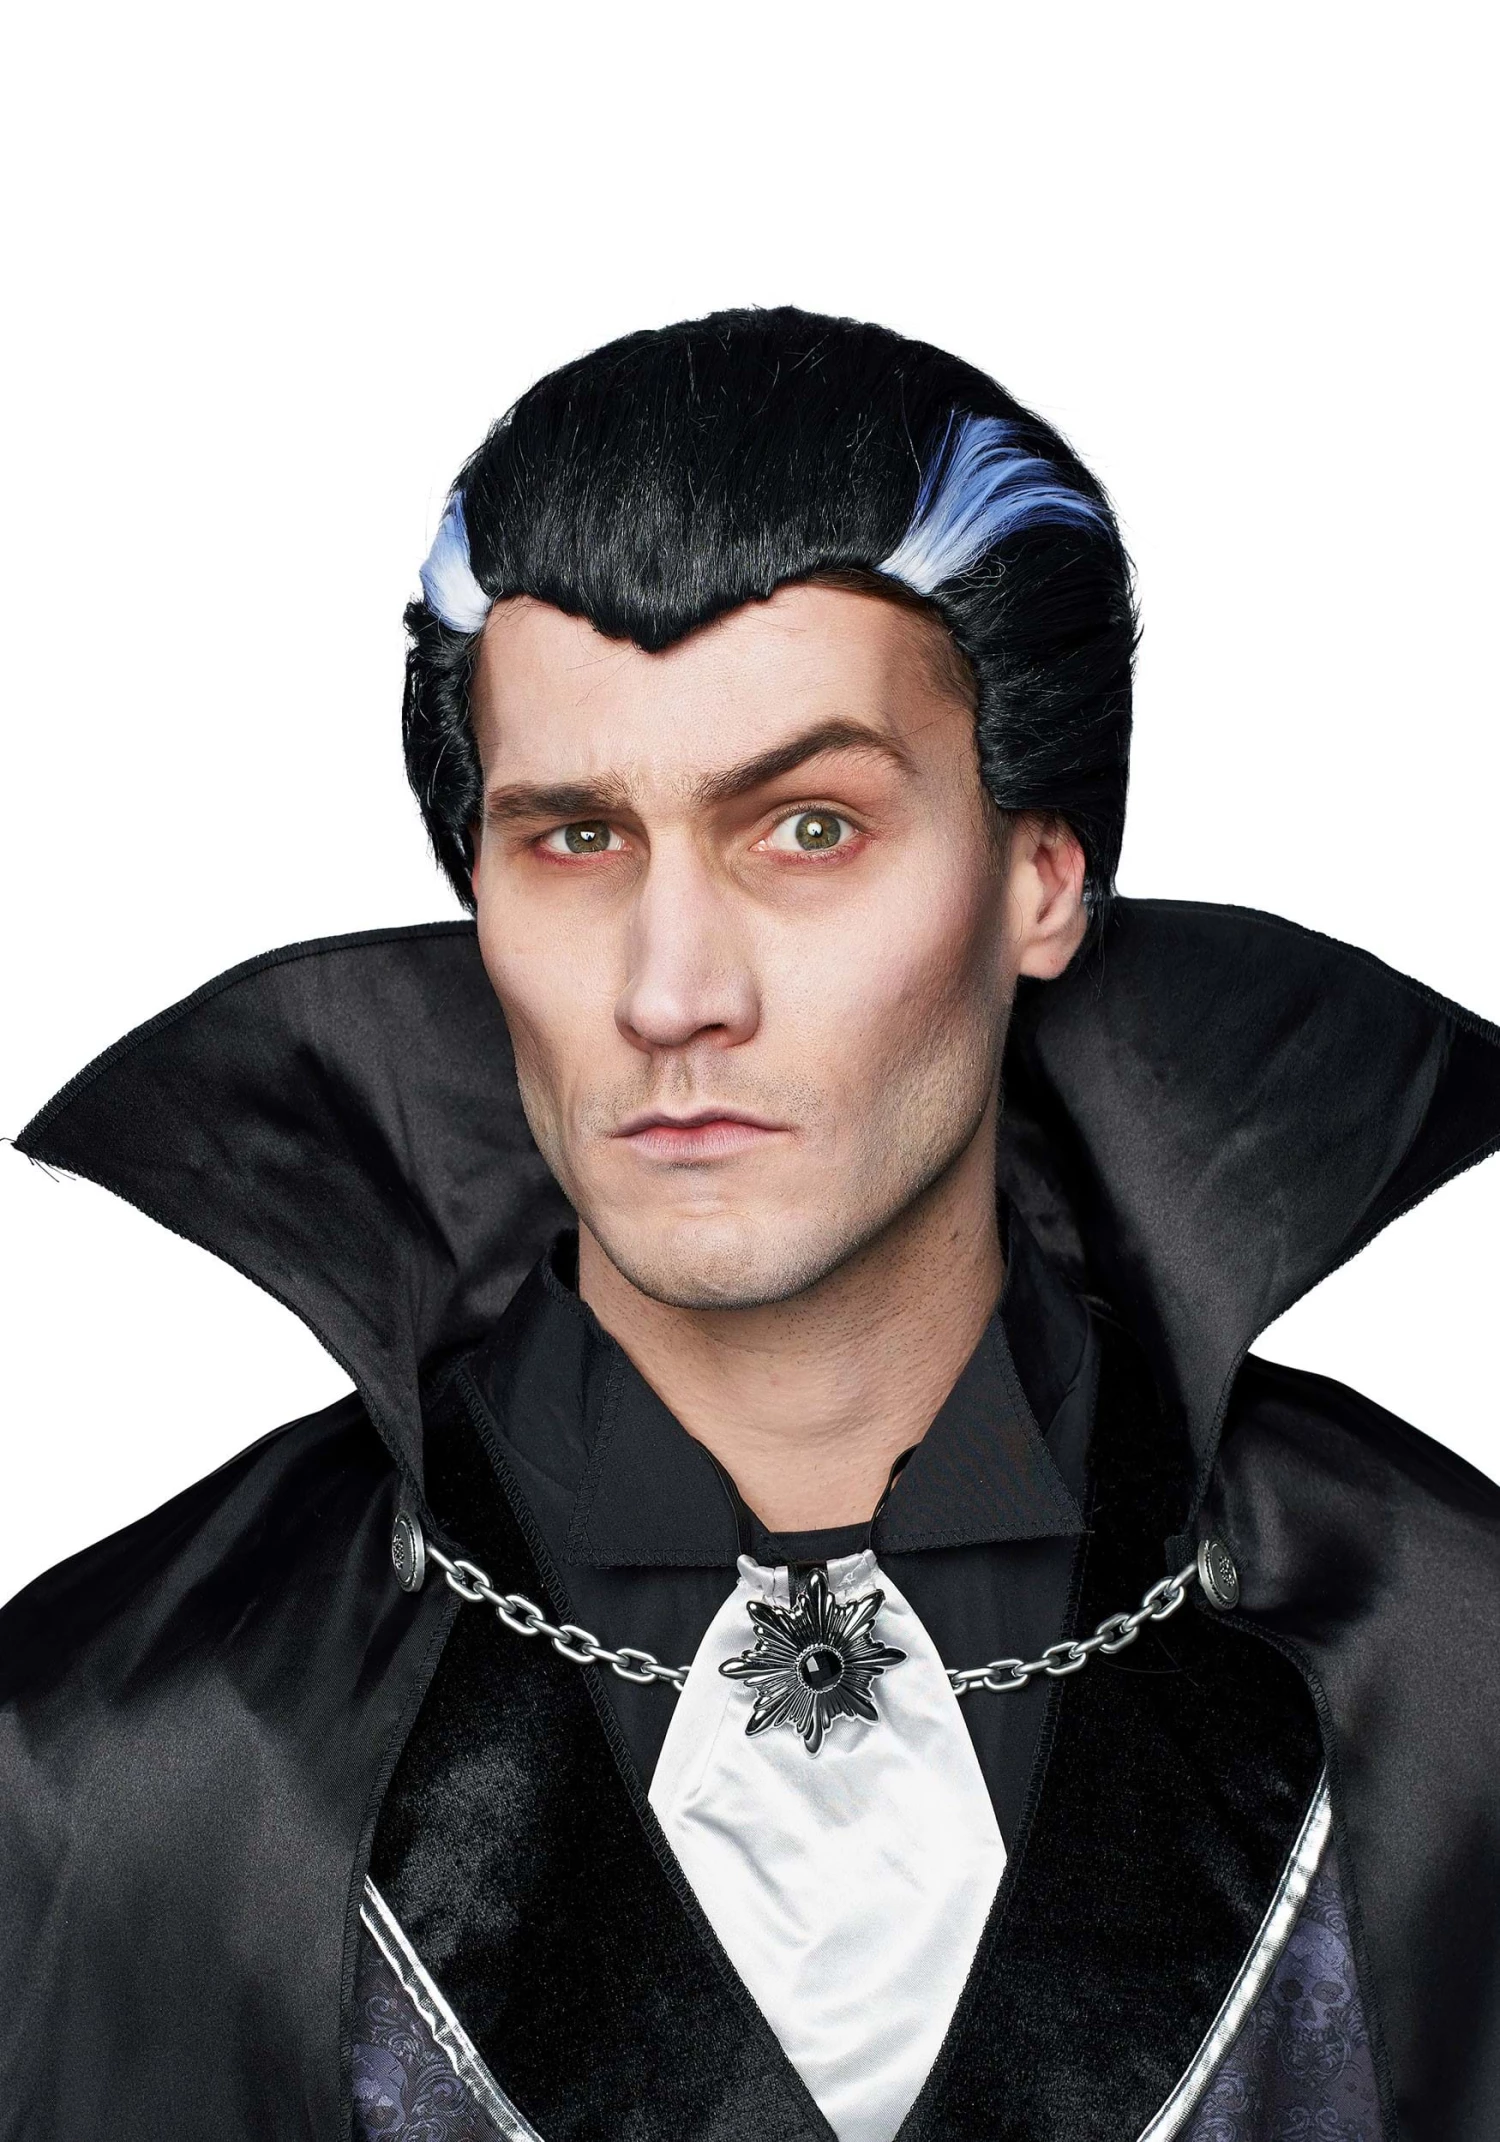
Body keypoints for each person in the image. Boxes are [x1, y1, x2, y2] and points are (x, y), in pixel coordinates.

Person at [3, 307, 1497, 2142]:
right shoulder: (118, 1754)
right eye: (575, 838)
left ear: (1040, 873)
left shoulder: (1451, 1682)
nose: (671, 991)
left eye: (807, 828)